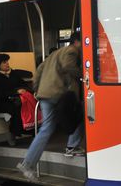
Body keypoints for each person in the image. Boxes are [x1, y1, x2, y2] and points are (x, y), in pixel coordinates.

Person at [17, 32, 85, 181]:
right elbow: (68, 66)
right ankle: (72, 147)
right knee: (81, 113)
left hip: (45, 94)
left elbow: (39, 71)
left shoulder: (53, 55)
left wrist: (37, 89)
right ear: (77, 41)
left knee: (46, 129)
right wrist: (84, 75)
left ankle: (27, 164)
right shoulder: (72, 50)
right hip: (58, 93)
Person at [0, 54, 30, 145]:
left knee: (26, 104)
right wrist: (16, 91)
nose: (7, 64)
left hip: (16, 98)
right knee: (15, 108)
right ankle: (15, 132)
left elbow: (23, 83)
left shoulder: (13, 73)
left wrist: (23, 90)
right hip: (3, 101)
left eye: (7, 61)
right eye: (4, 62)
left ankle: (27, 129)